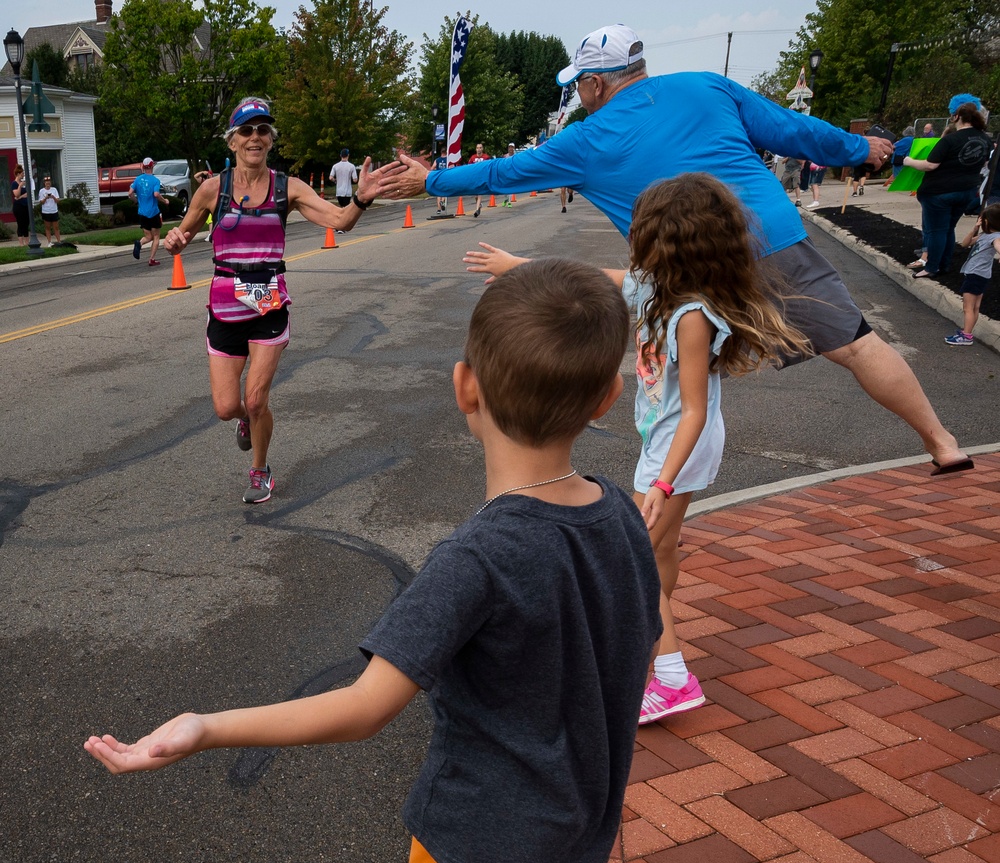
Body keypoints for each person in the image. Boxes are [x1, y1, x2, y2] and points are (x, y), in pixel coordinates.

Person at [84, 257, 662, 863]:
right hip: (580, 806)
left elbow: (363, 705)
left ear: (463, 386)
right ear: (607, 397)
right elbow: (635, 643)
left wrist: (205, 726)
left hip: (479, 824)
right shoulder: (618, 518)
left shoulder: (478, 555)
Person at [381, 22, 972, 474]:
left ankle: (661, 497)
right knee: (856, 343)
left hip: (683, 274)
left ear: (594, 83)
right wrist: (858, 148)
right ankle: (943, 444)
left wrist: (428, 180)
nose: (580, 96)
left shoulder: (582, 140)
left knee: (673, 390)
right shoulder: (707, 86)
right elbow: (795, 131)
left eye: (580, 86)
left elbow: (502, 174)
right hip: (767, 239)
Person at [465, 173, 809, 722]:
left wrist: (664, 480)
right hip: (668, 444)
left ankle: (672, 677)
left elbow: (694, 409)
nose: (632, 238)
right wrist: (518, 267)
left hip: (679, 449)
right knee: (661, 552)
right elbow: (598, 279)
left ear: (666, 240)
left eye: (639, 229)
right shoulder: (658, 290)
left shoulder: (692, 315)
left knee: (635, 559)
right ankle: (651, 648)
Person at [163, 97, 399, 504]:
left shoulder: (287, 187)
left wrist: (360, 199)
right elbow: (181, 236)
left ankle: (260, 470)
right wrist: (174, 240)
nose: (255, 137)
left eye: (263, 130)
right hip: (224, 306)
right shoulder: (211, 189)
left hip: (269, 303)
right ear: (233, 140)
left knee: (256, 399)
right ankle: (246, 422)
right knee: (226, 407)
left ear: (270, 140)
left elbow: (339, 221)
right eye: (247, 130)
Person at [904, 102, 993, 282]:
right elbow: (985, 164)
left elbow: (930, 165)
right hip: (967, 190)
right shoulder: (985, 139)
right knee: (948, 228)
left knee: (937, 230)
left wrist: (909, 161)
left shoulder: (950, 140)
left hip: (939, 192)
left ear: (957, 117)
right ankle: (944, 264)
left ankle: (932, 267)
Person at [945, 203, 1000, 345]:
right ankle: (967, 333)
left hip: (976, 275)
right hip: (978, 274)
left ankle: (966, 335)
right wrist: (974, 229)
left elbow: (998, 246)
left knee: (968, 307)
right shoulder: (984, 235)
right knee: (974, 307)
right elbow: (965, 243)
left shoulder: (996, 237)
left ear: (988, 221)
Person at [129, 157, 169, 266]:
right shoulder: (155, 180)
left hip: (142, 212)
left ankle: (139, 243)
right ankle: (151, 259)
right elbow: (156, 194)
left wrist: (136, 201)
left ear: (143, 166)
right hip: (153, 212)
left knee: (148, 236)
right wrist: (164, 200)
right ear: (152, 166)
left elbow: (130, 193)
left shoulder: (138, 179)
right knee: (156, 236)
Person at [37, 175, 61, 245]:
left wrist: (53, 196)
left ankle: (59, 241)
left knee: (56, 227)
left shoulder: (54, 190)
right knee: (47, 227)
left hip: (54, 211)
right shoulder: (42, 191)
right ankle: (49, 242)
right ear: (44, 183)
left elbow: (57, 201)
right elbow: (41, 202)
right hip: (46, 211)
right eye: (46, 182)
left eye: (49, 182)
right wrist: (46, 198)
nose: (48, 183)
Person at [468, 143, 490, 217]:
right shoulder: (473, 157)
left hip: (482, 178)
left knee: (479, 193)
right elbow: (469, 167)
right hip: (475, 178)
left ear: (482, 149)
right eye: (478, 148)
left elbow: (489, 167)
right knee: (476, 195)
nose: (479, 149)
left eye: (480, 148)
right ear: (476, 149)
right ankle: (479, 205)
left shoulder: (486, 157)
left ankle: (477, 210)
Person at [11, 164, 30, 245]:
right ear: (18, 174)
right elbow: (16, 195)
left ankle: (27, 242)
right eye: (22, 173)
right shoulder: (14, 184)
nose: (23, 175)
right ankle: (21, 244)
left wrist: (21, 196)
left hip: (25, 205)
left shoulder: (23, 183)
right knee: (21, 223)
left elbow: (27, 194)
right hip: (18, 207)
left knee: (26, 223)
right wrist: (19, 187)